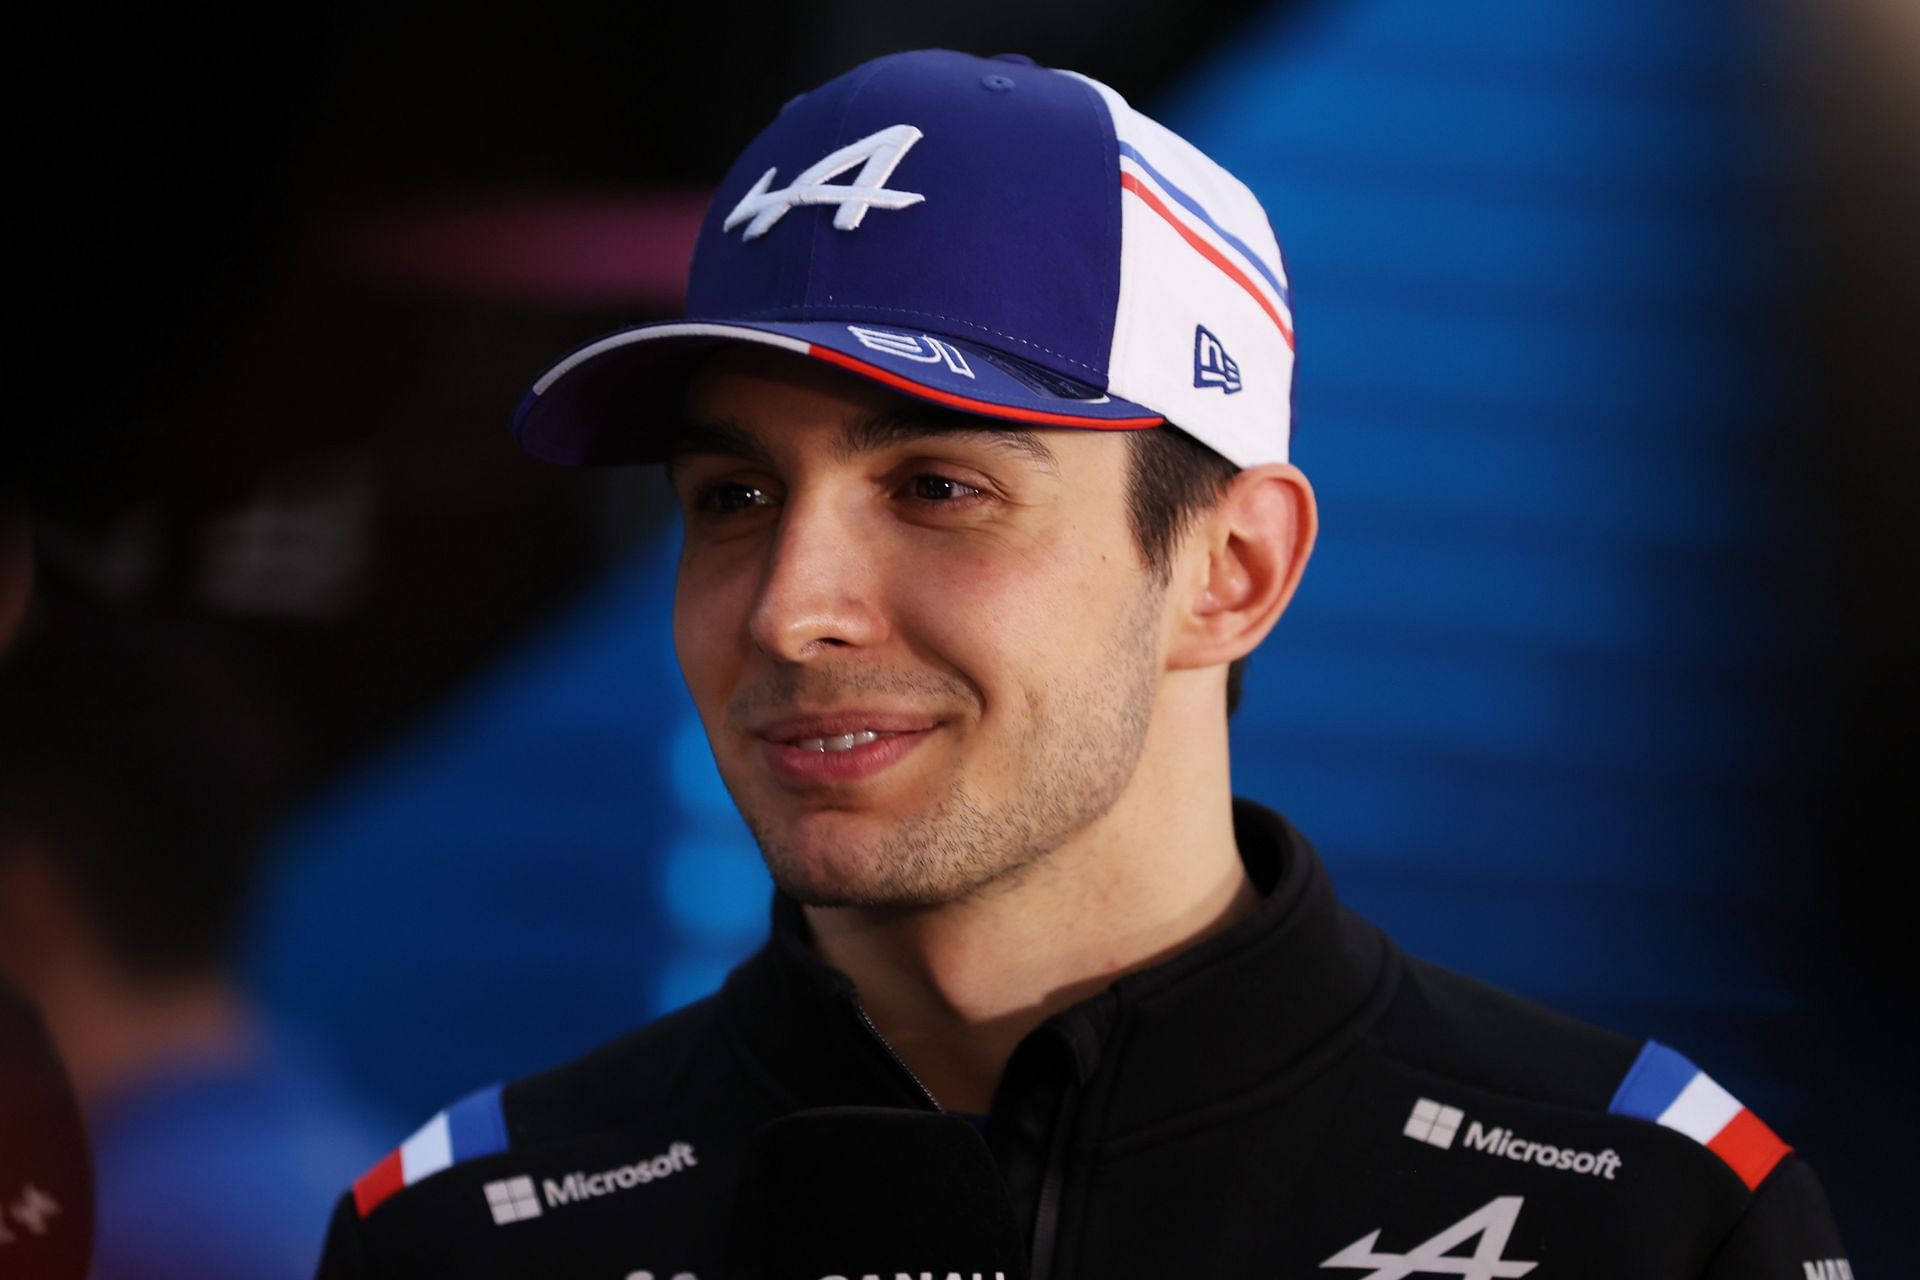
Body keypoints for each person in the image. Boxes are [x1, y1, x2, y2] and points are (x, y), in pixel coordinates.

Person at [317, 50, 1849, 1278]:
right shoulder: (466, 1231)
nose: (791, 610)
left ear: (1232, 571)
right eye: (733, 498)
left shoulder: (1644, 1214)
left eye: (937, 487)